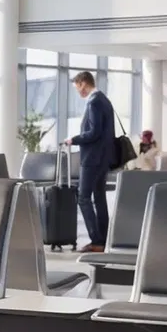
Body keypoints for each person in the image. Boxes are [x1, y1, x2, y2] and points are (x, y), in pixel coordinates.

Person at [66, 71, 116, 252]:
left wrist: (74, 140)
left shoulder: (94, 102)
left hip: (92, 158)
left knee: (83, 198)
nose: (78, 91)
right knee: (99, 198)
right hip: (103, 158)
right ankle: (103, 240)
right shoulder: (104, 100)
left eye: (77, 87)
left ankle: (96, 240)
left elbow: (94, 132)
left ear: (83, 83)